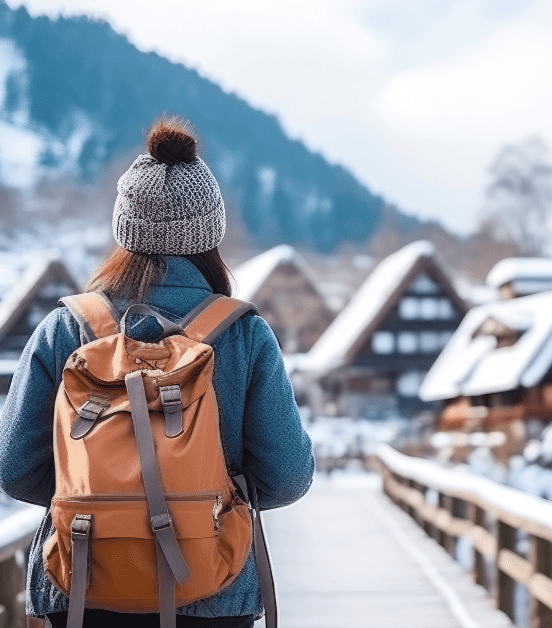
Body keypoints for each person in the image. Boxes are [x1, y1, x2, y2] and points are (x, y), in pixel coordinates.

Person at [0, 117, 315, 628]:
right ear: (210, 233)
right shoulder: (244, 334)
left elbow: (15, 468)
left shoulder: (67, 328)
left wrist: (101, 501)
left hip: (82, 583)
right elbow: (286, 478)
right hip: (212, 588)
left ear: (124, 229)